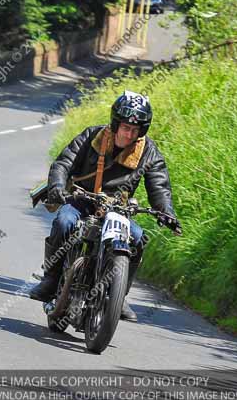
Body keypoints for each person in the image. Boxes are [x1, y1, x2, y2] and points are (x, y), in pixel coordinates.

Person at [29, 90, 181, 322]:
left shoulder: (148, 151)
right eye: (125, 127)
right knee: (64, 221)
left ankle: (118, 296)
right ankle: (51, 279)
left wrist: (166, 212)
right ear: (115, 123)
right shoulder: (92, 136)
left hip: (117, 209)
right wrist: (58, 187)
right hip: (82, 200)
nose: (129, 134)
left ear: (142, 131)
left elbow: (159, 186)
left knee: (138, 238)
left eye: (135, 130)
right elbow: (63, 163)